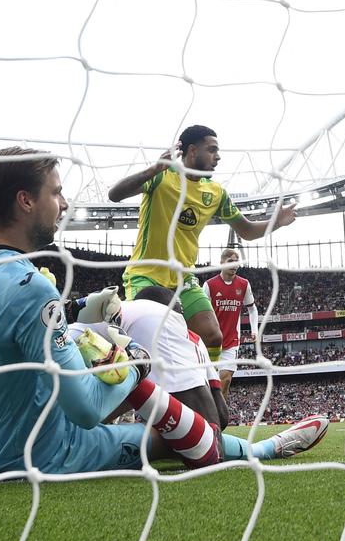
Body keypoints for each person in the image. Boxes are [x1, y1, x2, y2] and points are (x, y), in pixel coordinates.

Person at [0, 146, 325, 477]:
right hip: (47, 456)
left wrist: (78, 310)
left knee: (90, 340)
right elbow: (87, 409)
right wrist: (133, 363)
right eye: (56, 192)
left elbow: (10, 330)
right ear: (25, 201)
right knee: (181, 432)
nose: (64, 203)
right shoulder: (29, 287)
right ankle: (265, 449)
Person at [108, 126, 295, 367]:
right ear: (193, 150)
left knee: (213, 336)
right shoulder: (162, 176)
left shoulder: (215, 192)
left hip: (184, 278)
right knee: (153, 337)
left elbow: (247, 231)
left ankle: (209, 384)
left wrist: (276, 222)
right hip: (145, 275)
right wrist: (152, 170)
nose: (218, 157)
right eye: (212, 150)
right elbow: (114, 195)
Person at [67, 286, 323, 462]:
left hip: (63, 419)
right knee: (195, 443)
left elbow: (218, 417)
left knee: (168, 433)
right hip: (64, 422)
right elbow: (216, 424)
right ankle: (268, 448)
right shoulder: (163, 321)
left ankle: (268, 448)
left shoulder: (180, 335)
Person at [202, 248, 257, 399]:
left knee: (225, 380)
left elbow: (252, 309)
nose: (234, 265)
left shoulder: (244, 284)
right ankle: (213, 410)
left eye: (236, 262)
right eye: (230, 261)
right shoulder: (209, 285)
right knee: (209, 383)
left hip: (231, 341)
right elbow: (201, 312)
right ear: (221, 263)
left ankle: (220, 413)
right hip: (211, 341)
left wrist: (254, 330)